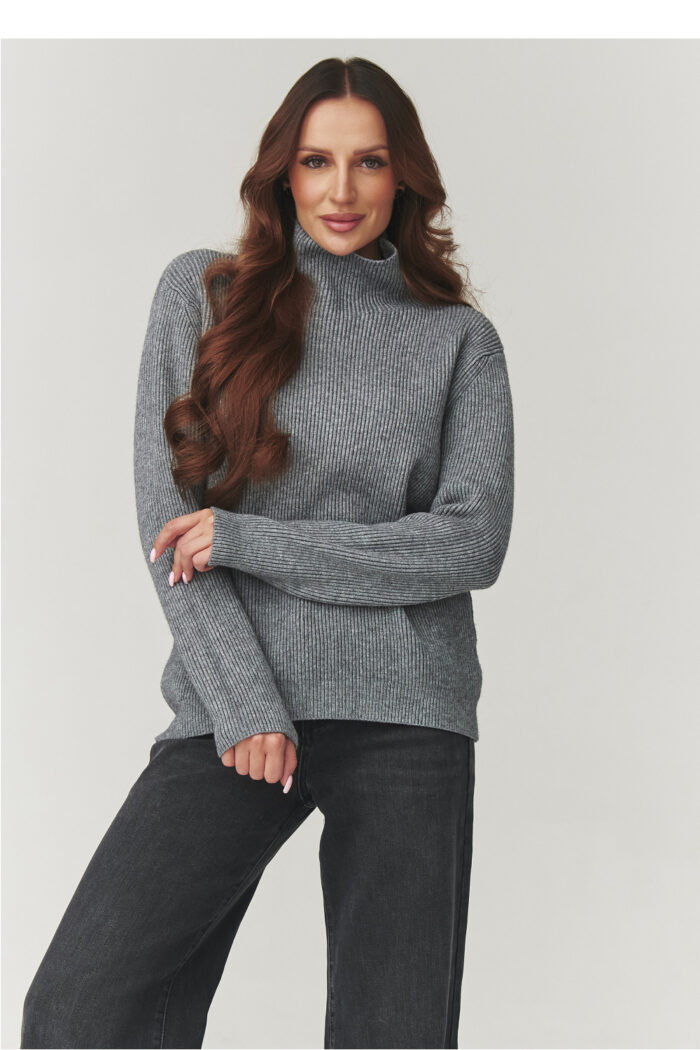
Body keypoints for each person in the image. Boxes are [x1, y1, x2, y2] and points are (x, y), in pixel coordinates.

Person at [20, 56, 514, 1049]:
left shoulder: (458, 340)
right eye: (316, 161)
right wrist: (245, 704)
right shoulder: (205, 294)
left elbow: (469, 543)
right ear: (282, 173)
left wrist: (254, 540)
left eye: (369, 161)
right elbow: (167, 524)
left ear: (405, 176)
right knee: (80, 1010)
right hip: (236, 708)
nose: (342, 190)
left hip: (406, 713)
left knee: (393, 1035)